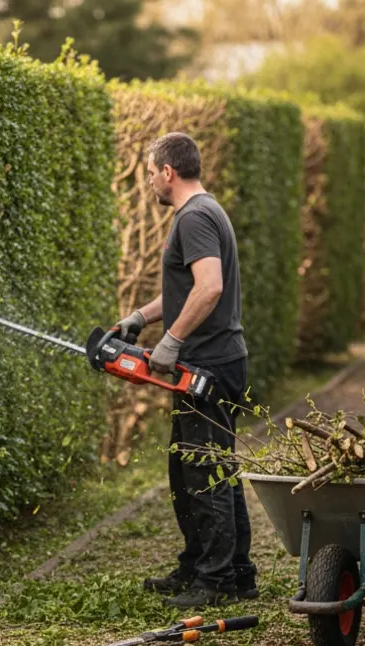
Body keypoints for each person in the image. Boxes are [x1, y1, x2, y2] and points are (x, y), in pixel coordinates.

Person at [111, 131, 257, 609]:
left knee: (205, 472)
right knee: (197, 467)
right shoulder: (204, 211)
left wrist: (171, 342)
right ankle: (221, 568)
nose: (150, 180)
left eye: (151, 172)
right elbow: (186, 290)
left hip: (209, 364)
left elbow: (209, 287)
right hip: (217, 359)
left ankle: (216, 582)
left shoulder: (193, 217)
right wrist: (142, 318)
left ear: (168, 172)